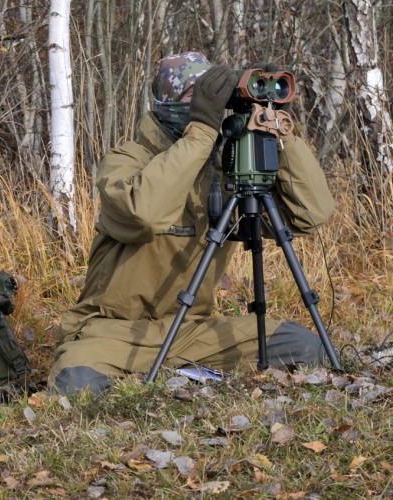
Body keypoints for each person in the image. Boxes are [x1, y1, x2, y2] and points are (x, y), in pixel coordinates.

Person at [48, 52, 335, 394]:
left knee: (305, 347)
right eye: (195, 97)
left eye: (213, 97)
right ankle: (153, 379)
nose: (208, 106)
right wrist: (200, 133)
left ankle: (177, 374)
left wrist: (278, 129)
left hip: (193, 331)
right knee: (76, 384)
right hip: (115, 332)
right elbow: (145, 214)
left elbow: (311, 215)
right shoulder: (126, 160)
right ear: (167, 103)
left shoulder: (228, 168)